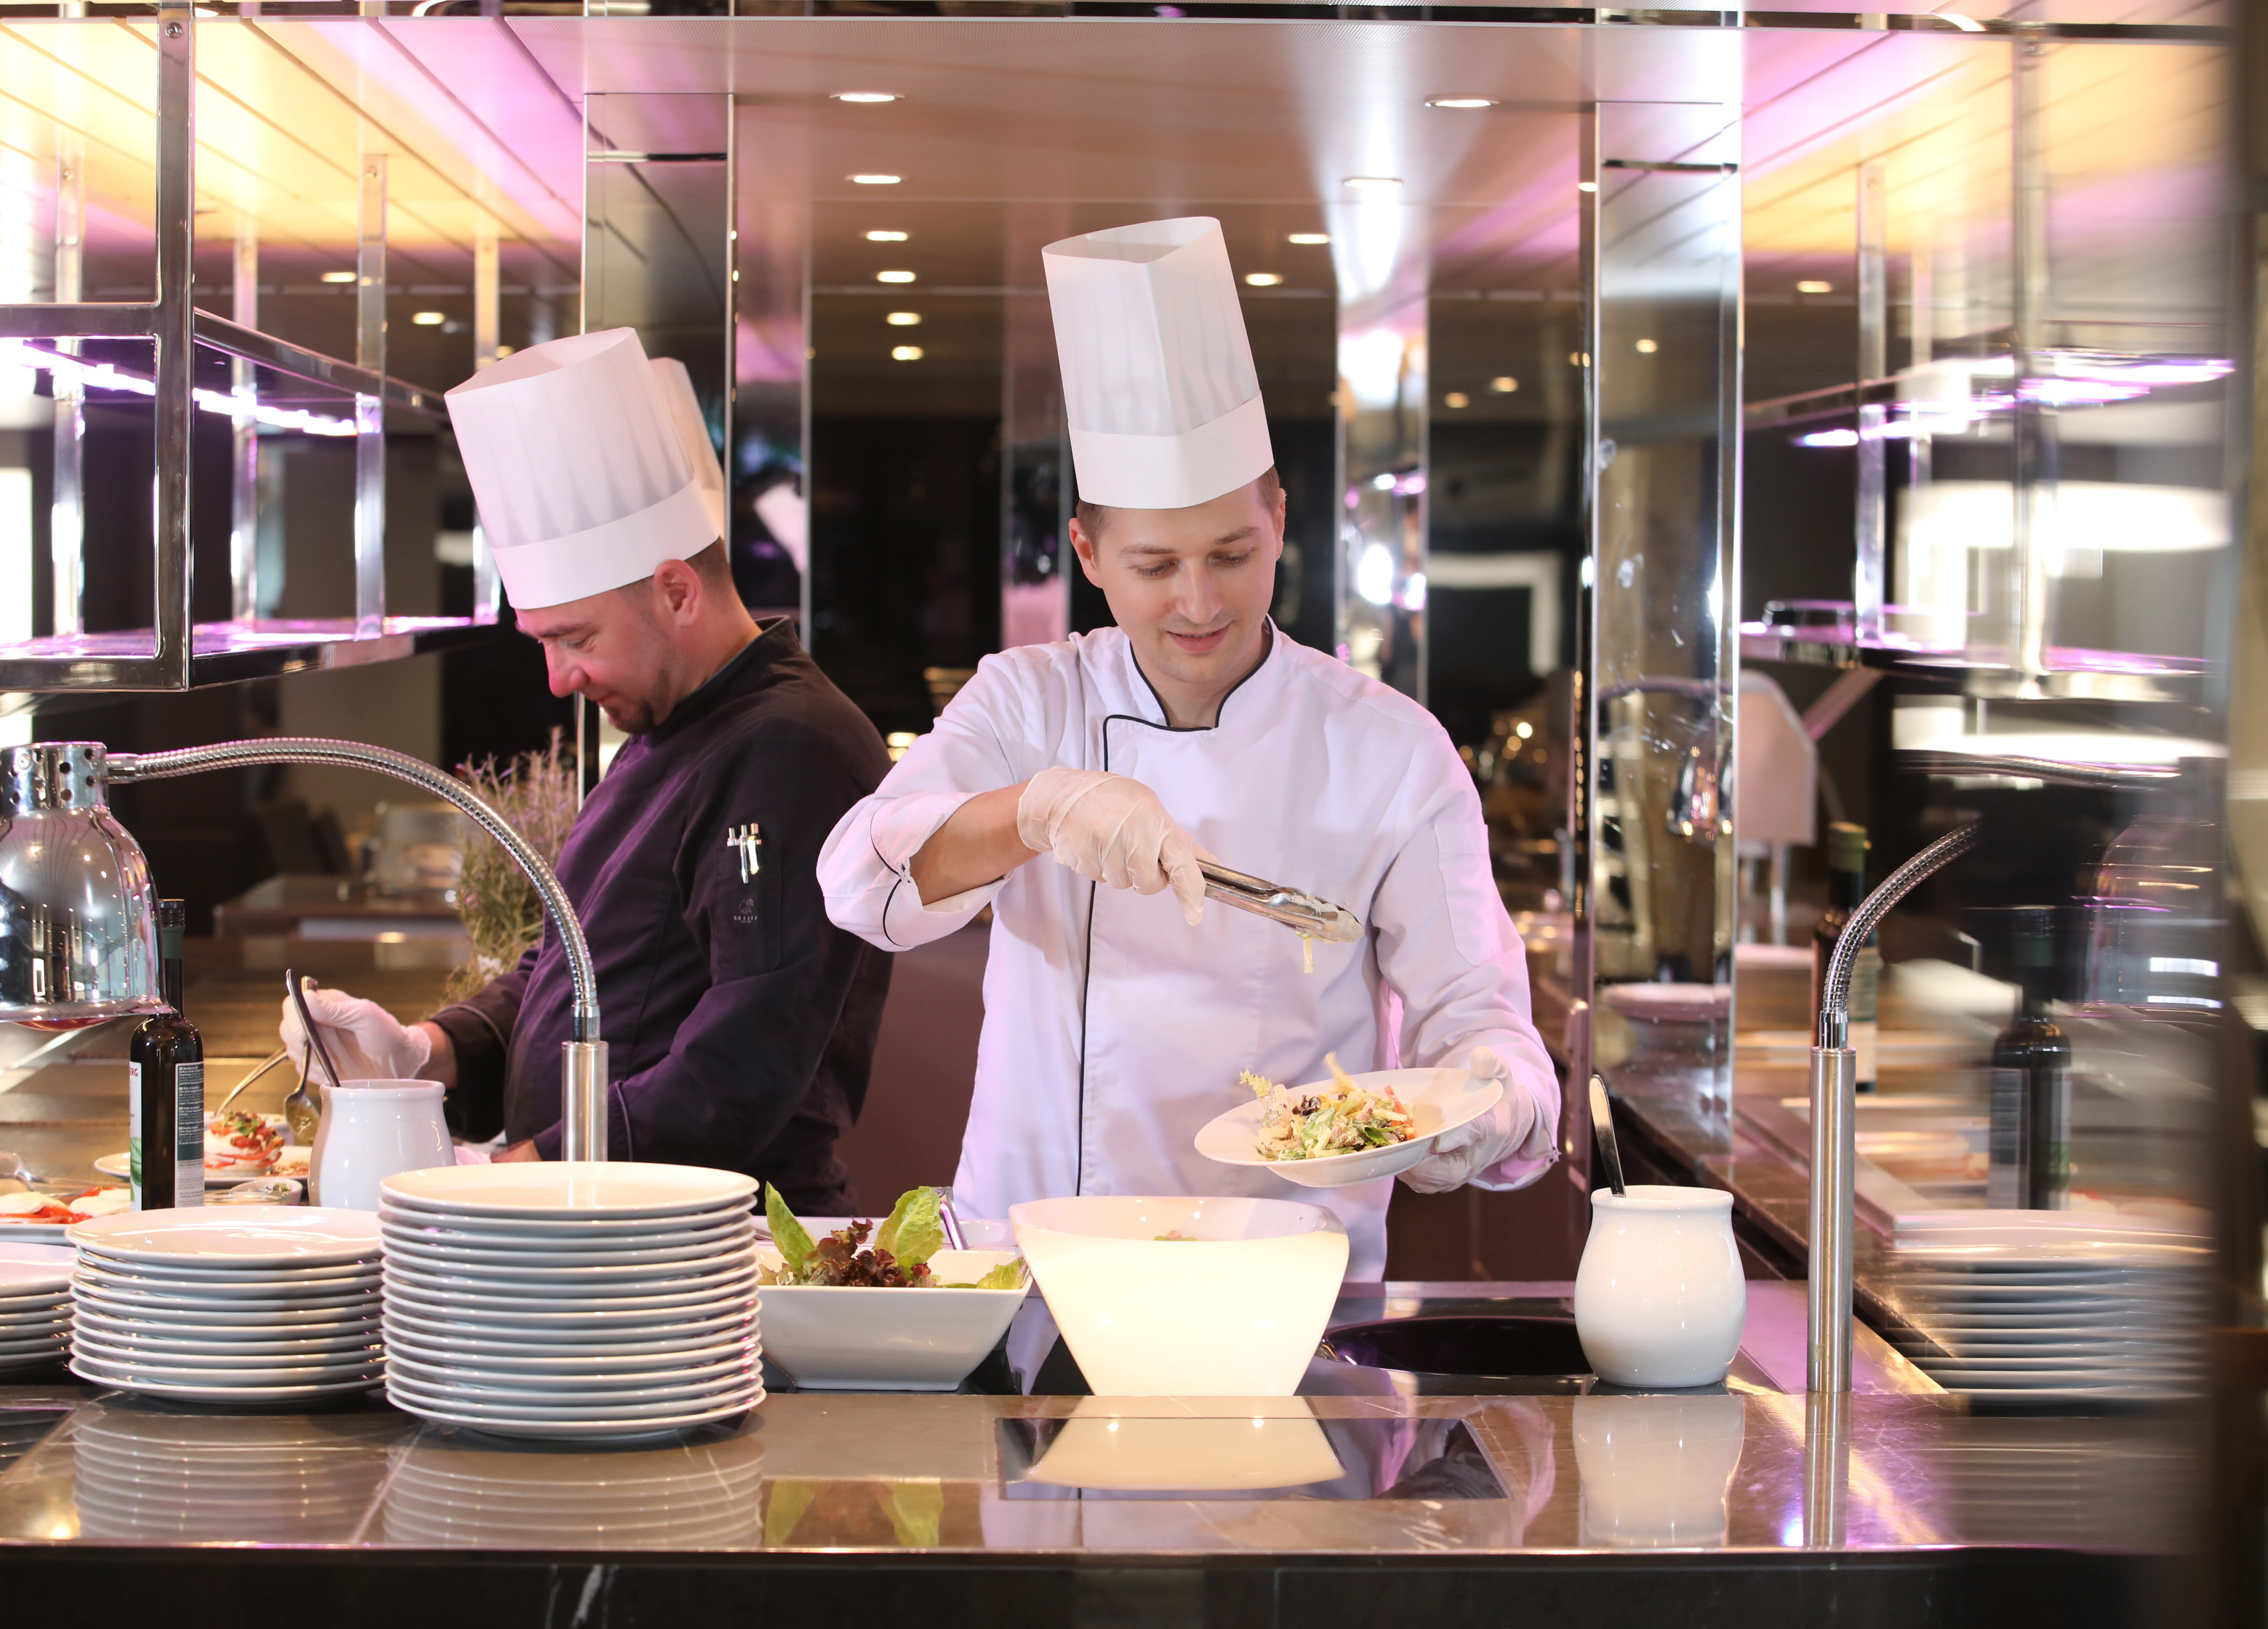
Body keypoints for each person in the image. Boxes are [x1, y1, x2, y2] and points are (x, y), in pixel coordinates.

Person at [817, 217, 1558, 1276]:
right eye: (1157, 565)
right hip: (1034, 1270)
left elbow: (1478, 1015)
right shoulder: (1030, 703)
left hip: (1286, 1284)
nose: (1201, 601)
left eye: (1233, 552)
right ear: (1087, 551)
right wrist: (1035, 812)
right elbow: (861, 880)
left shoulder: (1392, 750)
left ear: (1281, 518)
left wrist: (1490, 1100)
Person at [284, 329, 893, 1212]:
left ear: (676, 590)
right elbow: (568, 967)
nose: (558, 678)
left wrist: (504, 1175)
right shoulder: (668, 722)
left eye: (575, 638)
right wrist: (426, 1049)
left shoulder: (790, 750)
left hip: (707, 1241)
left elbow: (746, 1058)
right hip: (600, 1216)